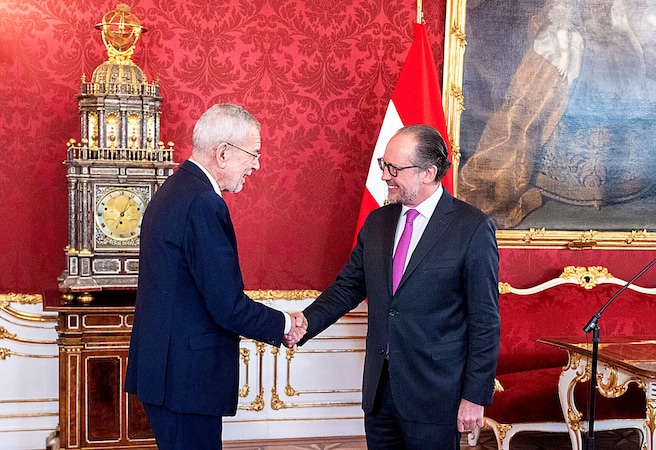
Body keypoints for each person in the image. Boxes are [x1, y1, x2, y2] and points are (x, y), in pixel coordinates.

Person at [286, 124, 500, 450]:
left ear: (428, 173)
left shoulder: (471, 228)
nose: (385, 176)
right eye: (383, 165)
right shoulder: (378, 222)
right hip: (379, 392)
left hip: (435, 396)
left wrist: (474, 395)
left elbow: (485, 321)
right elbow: (348, 287)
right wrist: (304, 323)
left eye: (394, 168)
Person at [125, 103, 306, 450]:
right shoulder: (203, 202)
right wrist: (285, 323)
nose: (256, 165)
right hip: (185, 380)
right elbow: (227, 306)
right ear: (223, 152)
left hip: (169, 373)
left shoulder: (175, 190)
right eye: (253, 154)